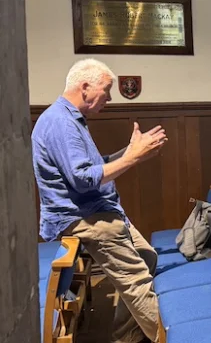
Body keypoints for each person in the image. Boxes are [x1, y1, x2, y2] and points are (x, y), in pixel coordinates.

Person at [32, 59, 168, 343]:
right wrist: (133, 158)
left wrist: (129, 152)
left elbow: (96, 165)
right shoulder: (60, 122)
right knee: (137, 282)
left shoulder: (70, 119)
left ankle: (127, 337)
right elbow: (83, 179)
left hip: (98, 210)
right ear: (85, 87)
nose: (109, 97)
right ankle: (175, 337)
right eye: (106, 90)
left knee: (147, 255)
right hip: (85, 218)